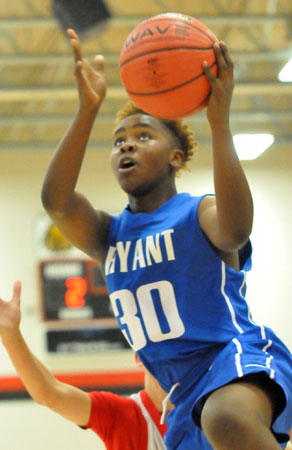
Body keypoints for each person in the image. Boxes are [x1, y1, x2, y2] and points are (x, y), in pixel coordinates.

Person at [41, 27, 292, 449]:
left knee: (226, 416)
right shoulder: (107, 235)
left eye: (143, 136)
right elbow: (57, 199)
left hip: (237, 359)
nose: (127, 147)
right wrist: (87, 110)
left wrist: (219, 122)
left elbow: (235, 230)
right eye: (119, 140)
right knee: (216, 419)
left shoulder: (200, 211)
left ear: (176, 158)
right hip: (180, 396)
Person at [0, 280, 172, 450]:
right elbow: (50, 394)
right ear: (138, 357)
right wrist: (10, 335)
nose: (172, 360)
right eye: (160, 349)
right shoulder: (119, 414)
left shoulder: (196, 410)